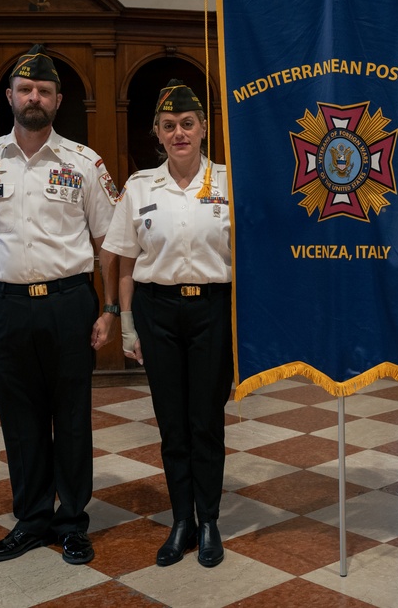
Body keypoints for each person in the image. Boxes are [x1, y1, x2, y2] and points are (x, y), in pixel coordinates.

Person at [0, 44, 120, 565]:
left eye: (44, 90)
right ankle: (31, 517)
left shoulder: (84, 163)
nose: (34, 97)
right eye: (26, 89)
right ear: (10, 96)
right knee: (19, 418)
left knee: (70, 416)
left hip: (69, 304)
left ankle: (72, 522)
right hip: (6, 307)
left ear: (58, 99)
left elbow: (107, 243)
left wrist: (109, 310)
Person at [101, 80, 233, 568]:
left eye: (188, 124)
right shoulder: (139, 187)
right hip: (157, 312)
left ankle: (210, 520)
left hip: (213, 309)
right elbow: (126, 263)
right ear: (157, 133)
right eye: (169, 125)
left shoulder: (227, 182)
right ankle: (182, 519)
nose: (179, 133)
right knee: (172, 422)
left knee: (206, 419)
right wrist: (129, 326)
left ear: (203, 129)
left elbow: (248, 258)